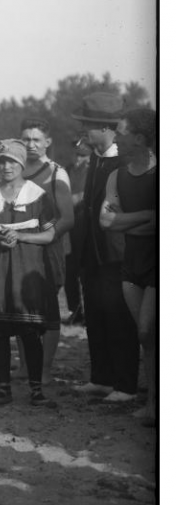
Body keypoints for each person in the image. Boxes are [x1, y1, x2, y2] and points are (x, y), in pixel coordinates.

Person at [0, 140, 59, 408]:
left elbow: (50, 233)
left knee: (29, 330)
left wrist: (21, 235)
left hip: (26, 267)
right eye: (2, 162)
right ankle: (3, 388)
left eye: (13, 162)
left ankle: (37, 390)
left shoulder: (38, 195)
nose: (7, 167)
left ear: (21, 164)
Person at [71, 93, 140, 402]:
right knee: (96, 316)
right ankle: (101, 379)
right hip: (91, 254)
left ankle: (125, 386)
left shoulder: (124, 162)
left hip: (116, 255)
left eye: (88, 124)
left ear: (105, 127)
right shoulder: (96, 159)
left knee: (118, 317)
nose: (85, 130)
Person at [100, 108, 157, 425]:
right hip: (131, 264)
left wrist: (126, 222)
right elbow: (106, 221)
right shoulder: (116, 176)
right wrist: (147, 217)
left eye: (120, 132)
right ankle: (153, 405)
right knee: (146, 336)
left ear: (139, 137)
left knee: (149, 329)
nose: (116, 137)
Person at [18, 118, 74, 383]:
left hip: (48, 250)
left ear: (47, 142)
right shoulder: (13, 169)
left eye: (36, 140)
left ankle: (46, 370)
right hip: (19, 250)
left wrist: (42, 238)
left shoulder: (56, 173)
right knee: (20, 308)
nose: (30, 144)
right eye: (26, 139)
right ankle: (25, 366)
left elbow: (67, 218)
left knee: (48, 310)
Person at [64, 137, 92, 323]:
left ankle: (88, 312)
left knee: (85, 271)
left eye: (82, 155)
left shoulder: (91, 171)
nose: (78, 158)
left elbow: (83, 195)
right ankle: (75, 310)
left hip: (85, 226)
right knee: (69, 270)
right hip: (69, 227)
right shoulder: (67, 169)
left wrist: (65, 202)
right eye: (76, 154)